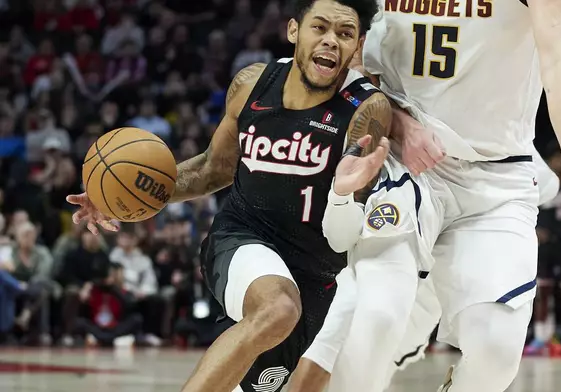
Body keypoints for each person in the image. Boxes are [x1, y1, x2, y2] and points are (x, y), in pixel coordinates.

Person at [289, 0, 561, 391]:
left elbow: (559, 50)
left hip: (497, 175)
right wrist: (399, 124)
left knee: (496, 350)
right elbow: (349, 59)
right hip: (404, 159)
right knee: (375, 313)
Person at [67, 0, 388, 391]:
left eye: (344, 33)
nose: (331, 41)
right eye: (319, 28)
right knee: (278, 309)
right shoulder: (253, 84)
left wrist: (343, 194)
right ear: (293, 32)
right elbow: (212, 169)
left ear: (357, 47)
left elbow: (346, 228)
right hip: (241, 238)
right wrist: (127, 194)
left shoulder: (365, 109)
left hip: (316, 270)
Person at [525, 147, 561, 357]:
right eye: (555, 159)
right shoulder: (539, 185)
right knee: (542, 292)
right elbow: (528, 208)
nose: (559, 163)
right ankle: (541, 338)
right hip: (545, 246)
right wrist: (534, 229)